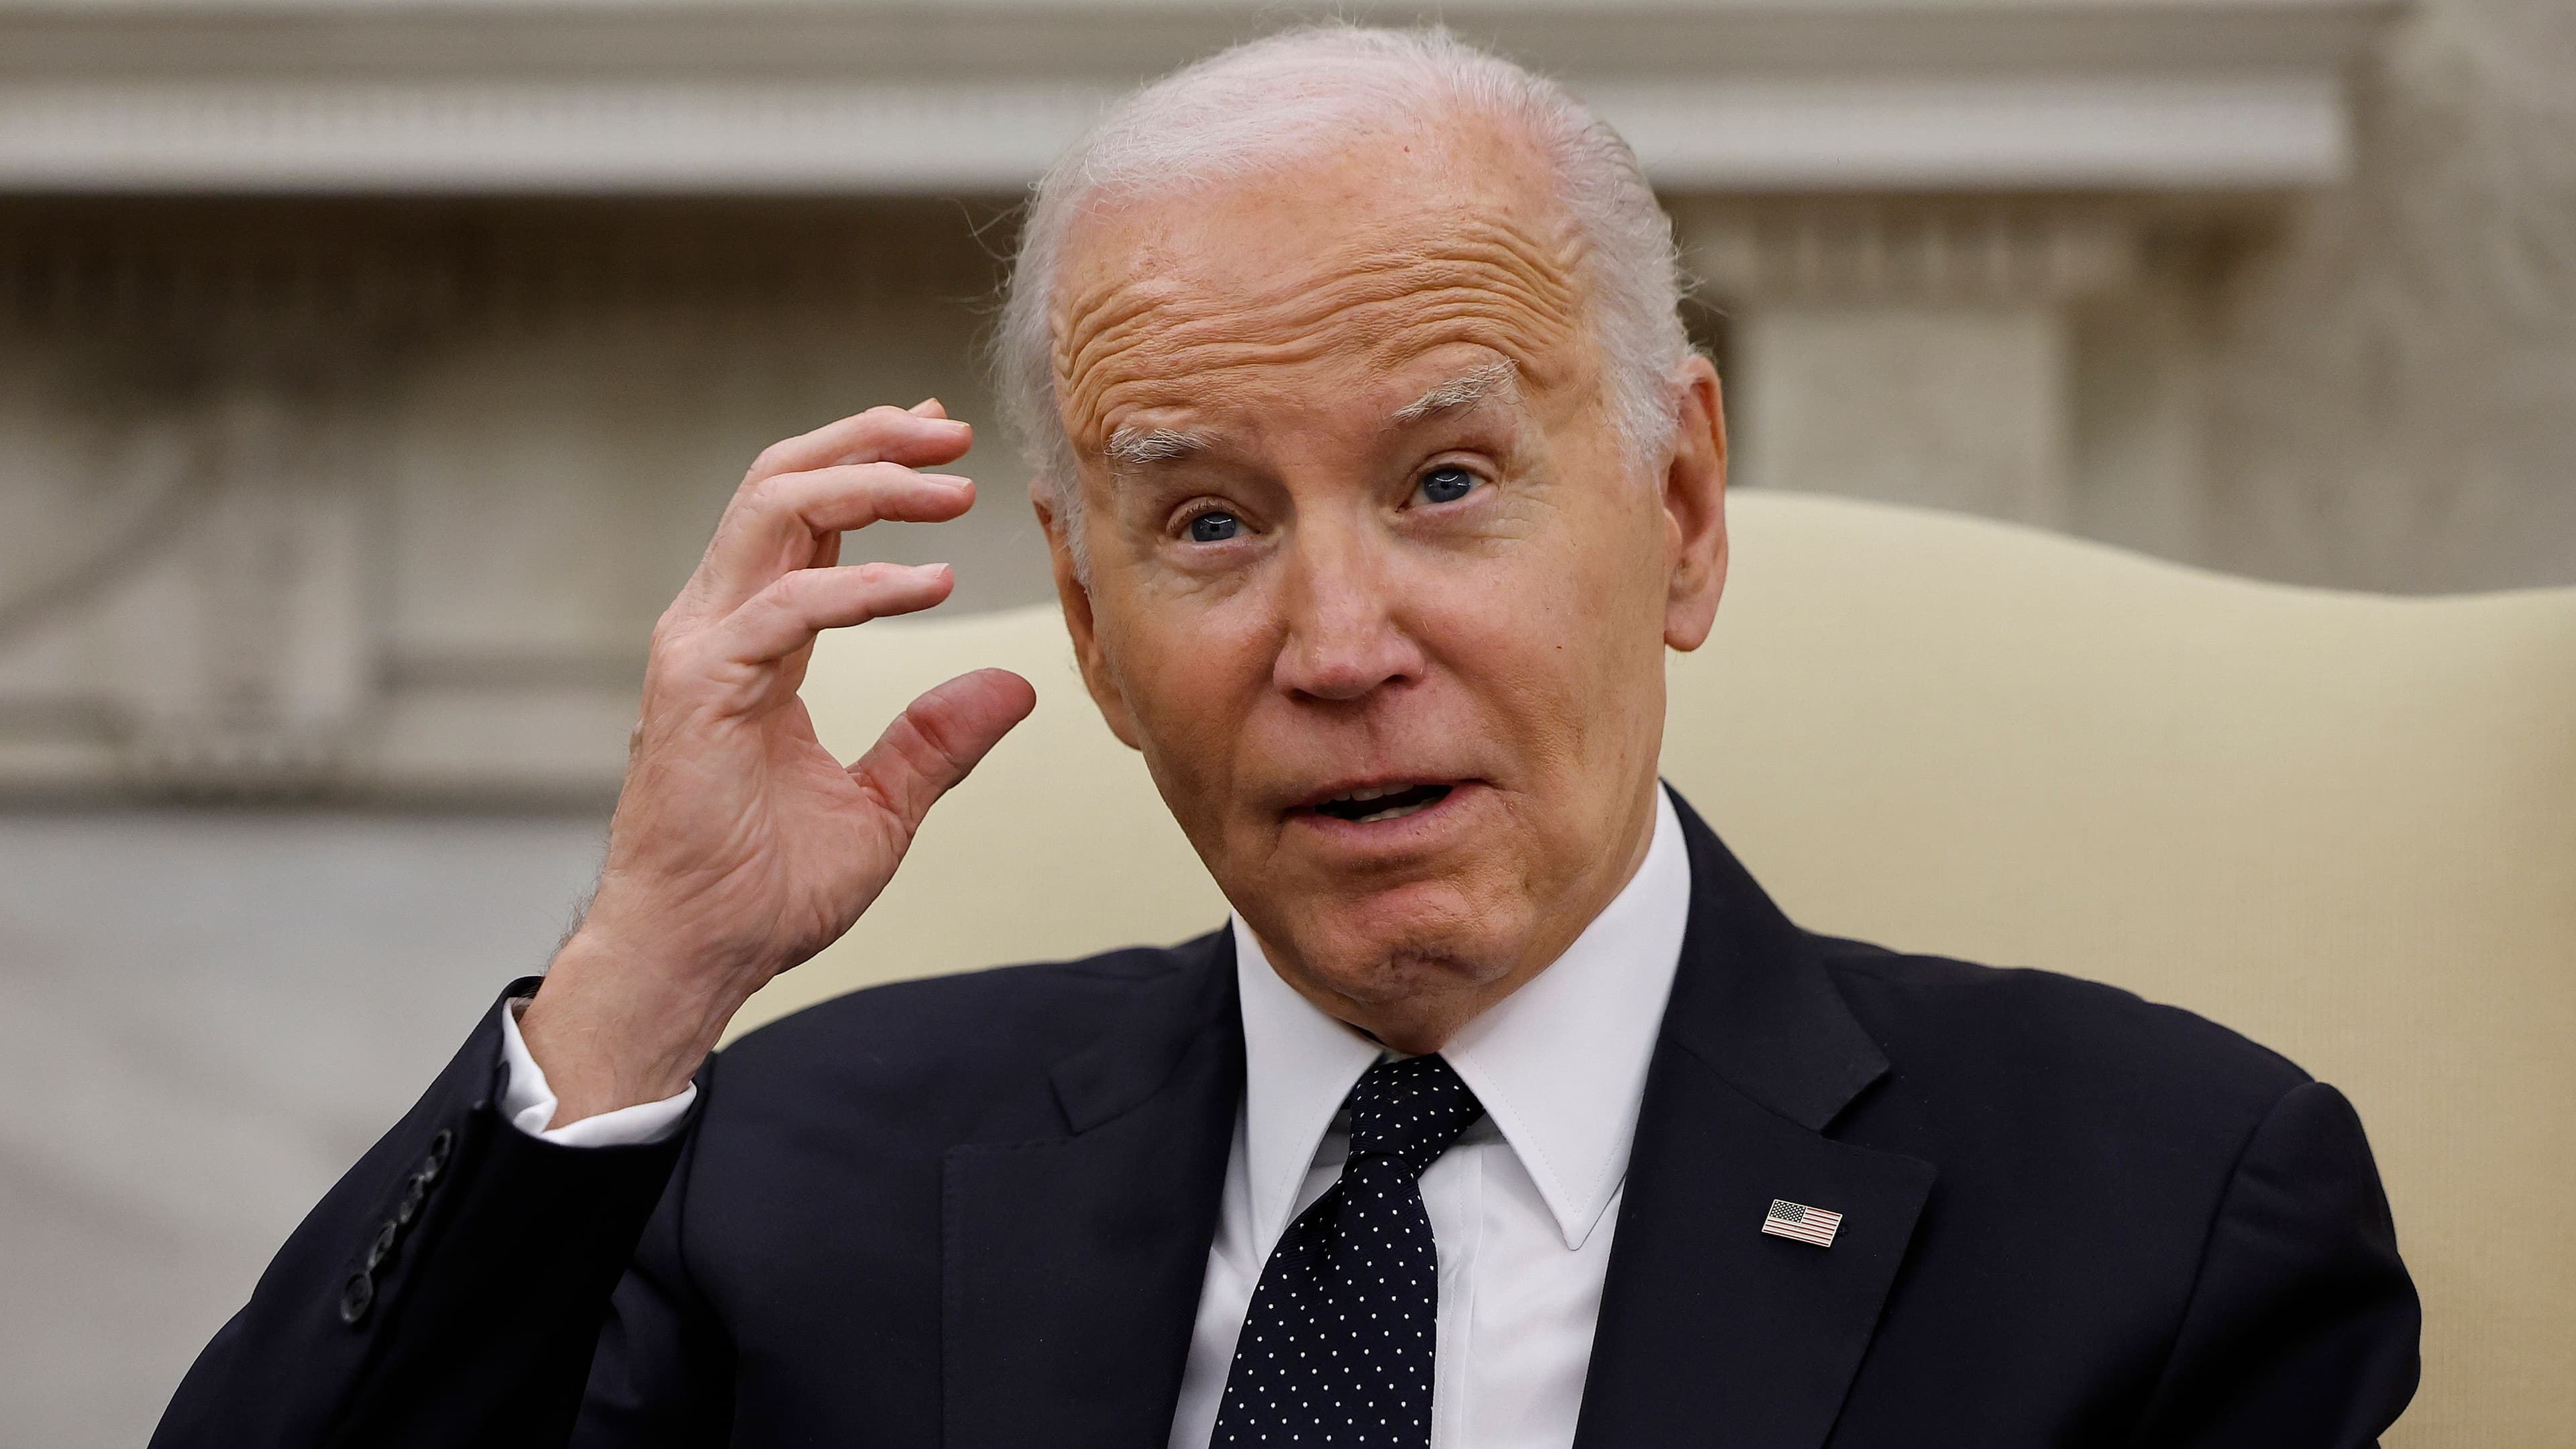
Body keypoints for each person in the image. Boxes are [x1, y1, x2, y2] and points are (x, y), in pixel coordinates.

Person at [151, 25, 2418, 1449]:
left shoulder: (2167, 1213)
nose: (1340, 641)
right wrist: (644, 976)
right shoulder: (786, 1182)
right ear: (1097, 630)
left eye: (1444, 483)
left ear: (1681, 511)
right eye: (1210, 522)